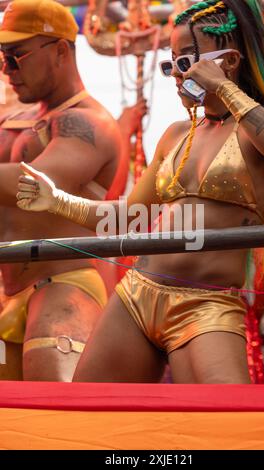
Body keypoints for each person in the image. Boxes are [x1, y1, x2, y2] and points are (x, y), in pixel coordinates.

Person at [17, 0, 264, 384]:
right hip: (136, 297)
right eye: (171, 65)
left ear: (229, 60)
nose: (175, 76)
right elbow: (127, 219)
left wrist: (222, 87)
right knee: (87, 416)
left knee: (226, 425)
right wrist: (57, 200)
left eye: (185, 63)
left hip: (205, 306)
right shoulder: (176, 135)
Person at [0, 0, 146, 381]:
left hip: (65, 288)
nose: (6, 69)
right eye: (2, 57)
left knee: (58, 424)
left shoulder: (88, 122)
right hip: (9, 294)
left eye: (16, 56)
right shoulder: (19, 118)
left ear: (61, 50)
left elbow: (35, 185)